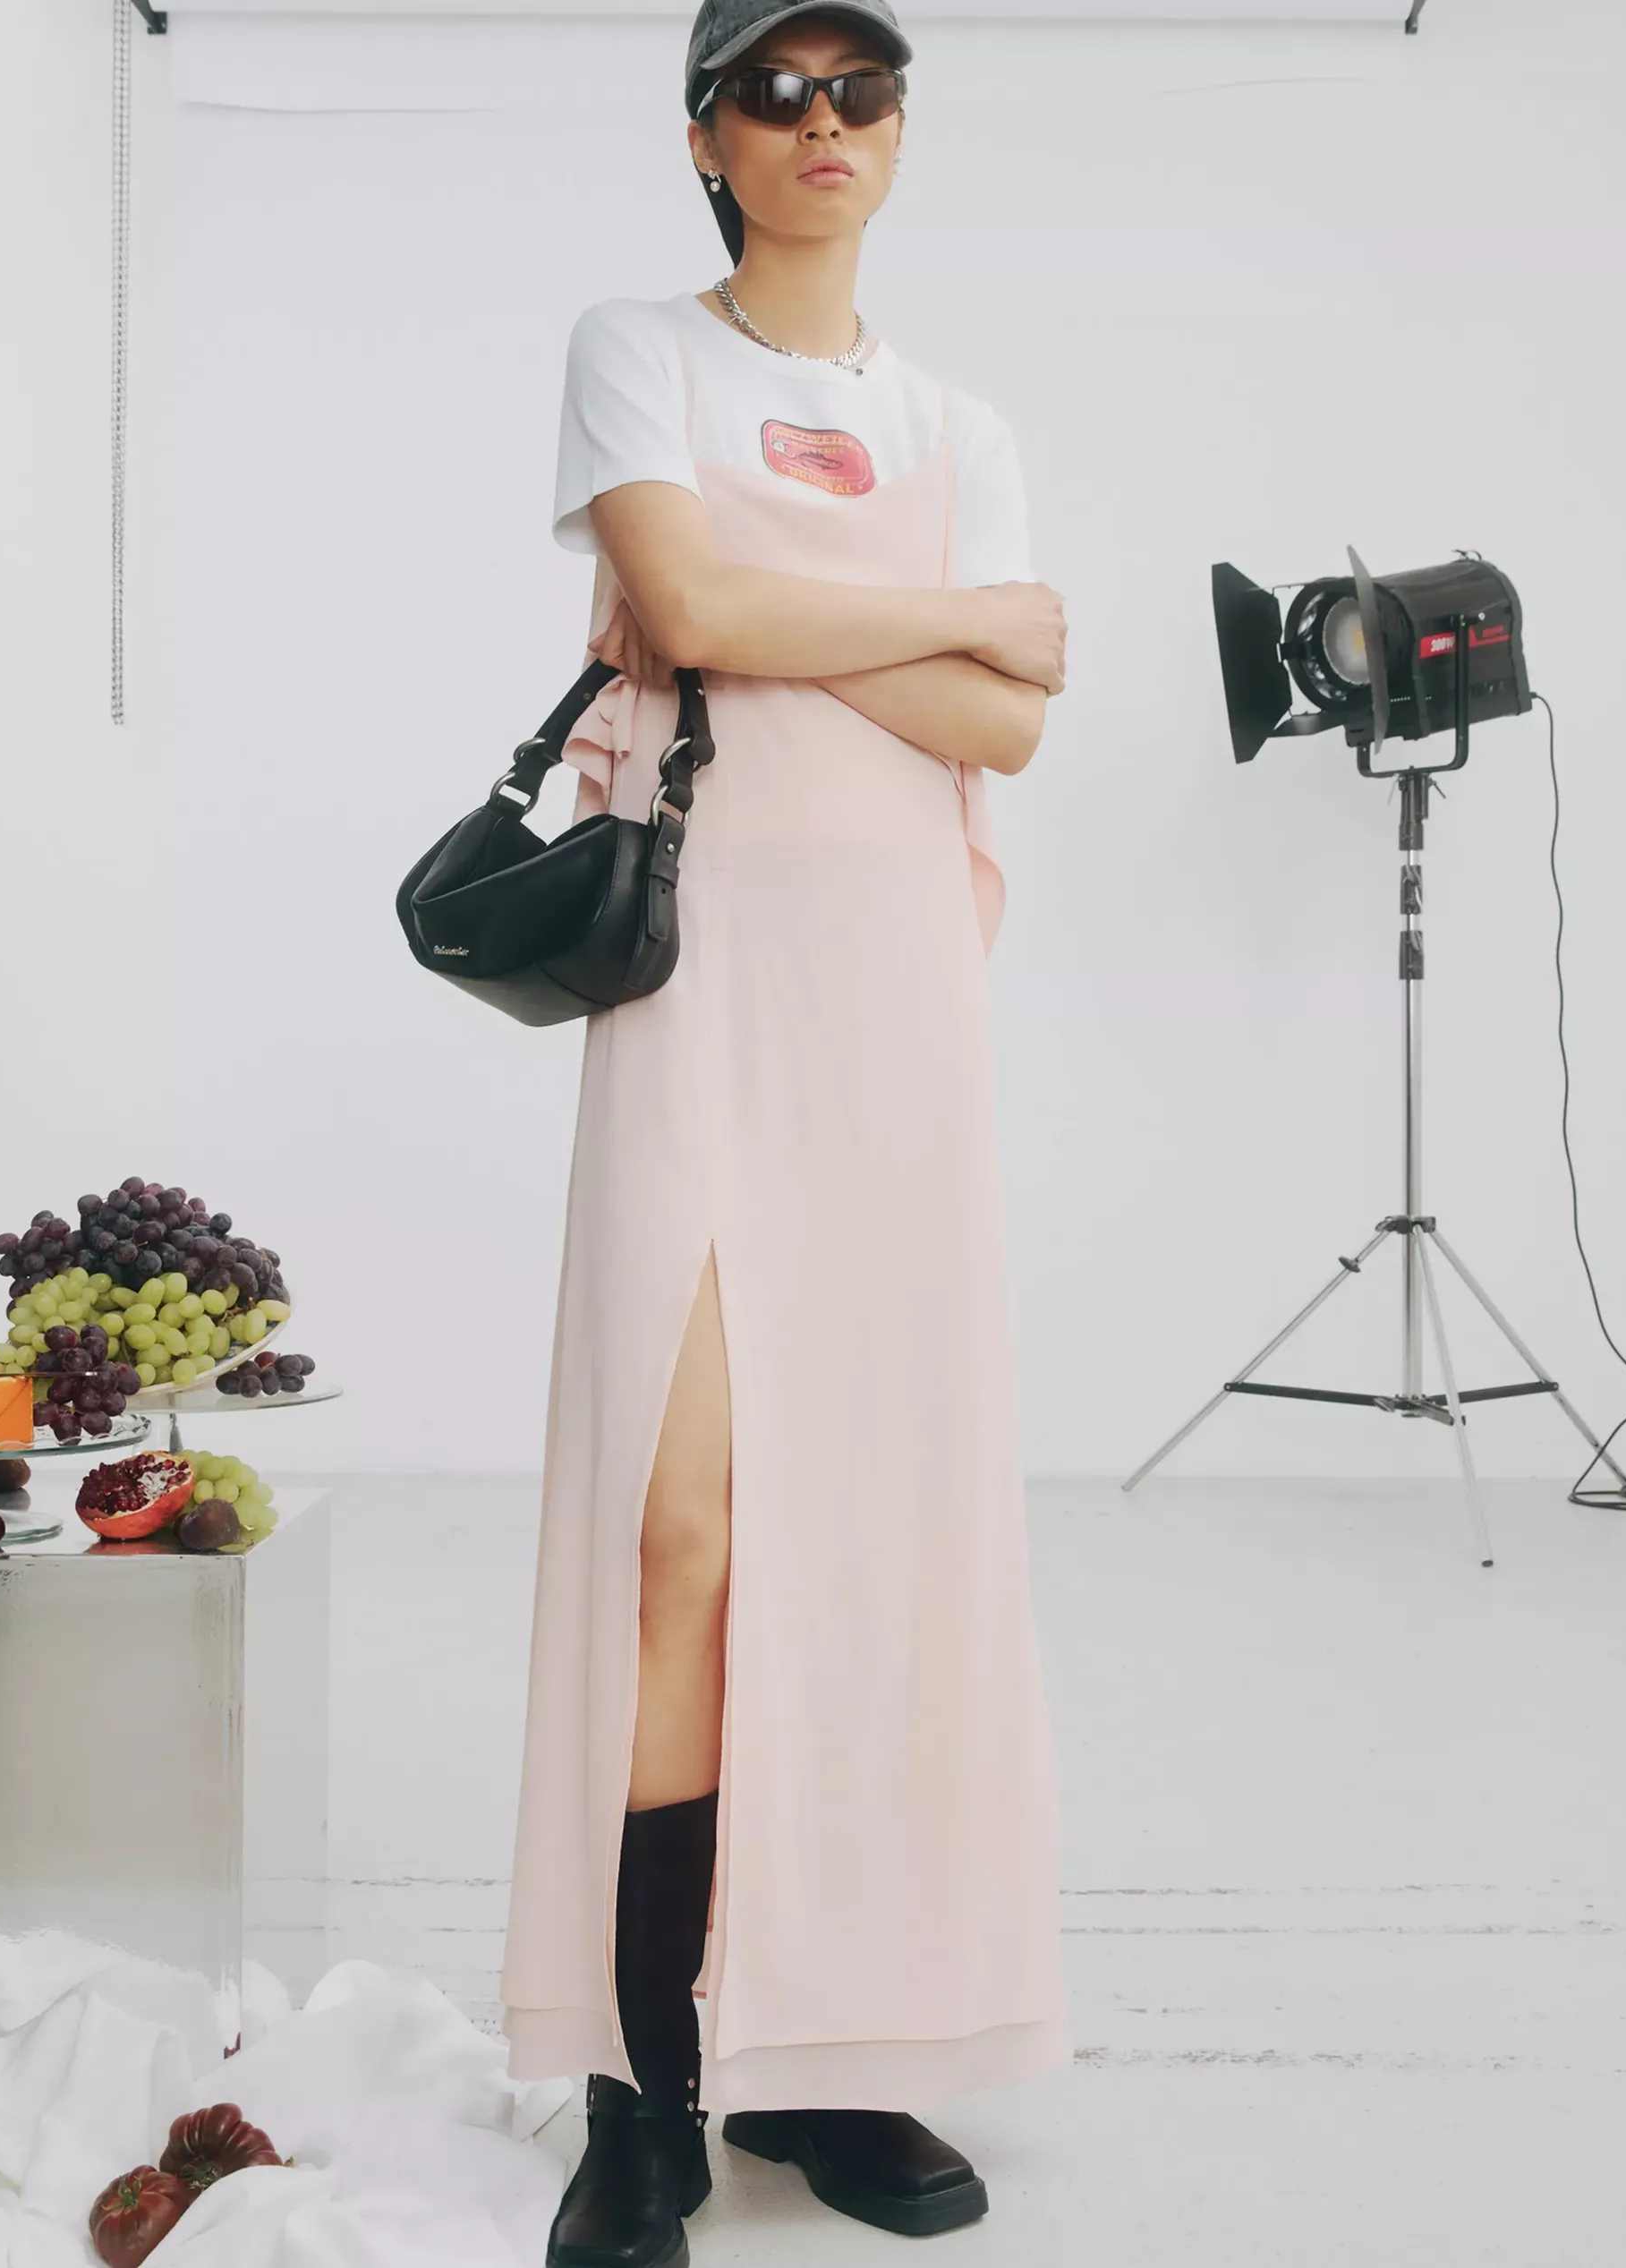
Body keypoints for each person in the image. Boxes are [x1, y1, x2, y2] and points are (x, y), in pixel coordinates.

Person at [498, 5, 1073, 2263]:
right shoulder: (635, 348)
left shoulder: (957, 423)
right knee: (684, 1531)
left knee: (879, 1522)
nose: (823, 123)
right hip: (700, 978)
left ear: (898, 130)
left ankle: (832, 2054)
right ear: (706, 137)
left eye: (862, 90)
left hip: (898, 1005)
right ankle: (642, 2084)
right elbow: (689, 608)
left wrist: (779, 622)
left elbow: (1006, 736)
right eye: (776, 90)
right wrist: (949, 619)